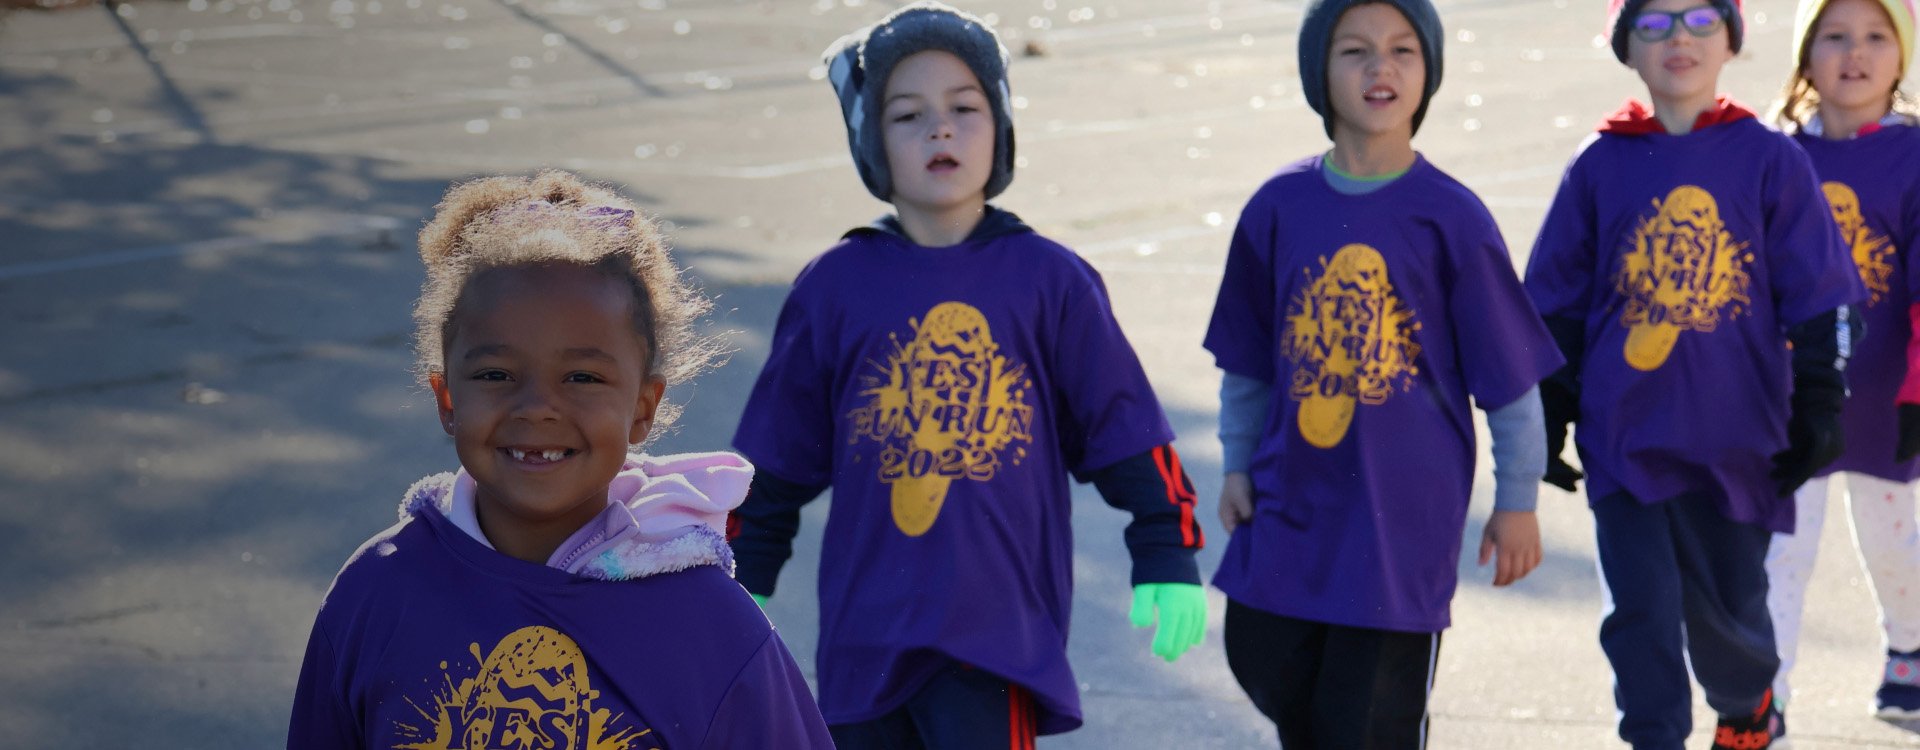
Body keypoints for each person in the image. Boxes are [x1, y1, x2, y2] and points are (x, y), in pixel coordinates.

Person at [725, 3, 1208, 746]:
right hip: (865, 642)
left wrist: (1165, 548)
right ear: (873, 143)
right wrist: (742, 574)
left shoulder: (1050, 281)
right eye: (907, 114)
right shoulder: (836, 286)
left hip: (995, 638)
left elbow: (1123, 425)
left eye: (965, 108)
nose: (939, 129)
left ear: (1002, 128)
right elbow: (777, 455)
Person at [286, 170, 832, 749]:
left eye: (582, 376)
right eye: (496, 374)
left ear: (643, 406)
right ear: (447, 399)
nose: (538, 407)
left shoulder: (710, 626)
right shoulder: (378, 592)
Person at [1202, 1, 1564, 747]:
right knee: (1262, 656)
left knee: (1369, 720)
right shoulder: (1278, 207)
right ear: (1319, 73)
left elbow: (1510, 382)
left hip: (1398, 527)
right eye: (1355, 51)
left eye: (1404, 50)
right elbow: (1247, 365)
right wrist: (1237, 463)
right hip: (1289, 504)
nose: (1381, 67)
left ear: (1427, 74)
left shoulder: (1452, 218)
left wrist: (1518, 498)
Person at [1525, 1, 1868, 746]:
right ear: (1626, 48)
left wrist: (1818, 398)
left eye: (1700, 19)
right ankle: (1652, 735)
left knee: (1728, 622)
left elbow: (1821, 291)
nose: (1678, 37)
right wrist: (1549, 408)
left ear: (1731, 42)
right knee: (1641, 615)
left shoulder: (1768, 158)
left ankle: (1749, 703)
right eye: (1653, 23)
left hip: (1738, 437)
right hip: (1625, 436)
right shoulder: (1600, 162)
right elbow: (1553, 298)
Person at [1762, 0, 1920, 729]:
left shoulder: (1912, 155)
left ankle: (1910, 650)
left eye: (1876, 37)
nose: (1854, 53)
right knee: (1779, 557)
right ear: (1804, 56)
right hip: (1791, 401)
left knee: (1897, 549)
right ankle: (1768, 694)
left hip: (1889, 400)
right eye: (1833, 36)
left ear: (1902, 55)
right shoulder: (1773, 152)